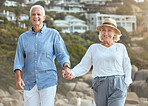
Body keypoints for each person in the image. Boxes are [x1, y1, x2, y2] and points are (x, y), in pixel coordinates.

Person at [62, 18, 132, 106]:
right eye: (103, 30)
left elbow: (127, 65)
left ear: (115, 33)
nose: (106, 33)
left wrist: (126, 82)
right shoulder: (93, 48)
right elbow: (84, 66)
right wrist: (72, 73)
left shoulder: (120, 47)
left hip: (118, 84)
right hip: (99, 84)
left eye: (109, 30)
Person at [13, 5, 70, 106]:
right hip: (29, 82)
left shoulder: (53, 34)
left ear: (44, 17)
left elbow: (62, 54)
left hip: (48, 80)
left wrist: (66, 67)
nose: (36, 16)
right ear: (30, 18)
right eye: (33, 14)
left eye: (39, 14)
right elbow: (19, 59)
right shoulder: (23, 38)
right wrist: (18, 78)